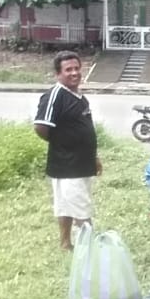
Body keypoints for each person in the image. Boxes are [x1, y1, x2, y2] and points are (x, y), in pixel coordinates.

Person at [33, 51, 101, 250]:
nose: (74, 73)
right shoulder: (55, 96)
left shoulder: (80, 97)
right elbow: (41, 127)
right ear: (58, 74)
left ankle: (65, 244)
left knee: (65, 205)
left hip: (82, 162)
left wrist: (94, 156)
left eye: (77, 68)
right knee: (81, 209)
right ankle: (88, 249)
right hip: (68, 165)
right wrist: (62, 145)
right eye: (68, 69)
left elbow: (85, 130)